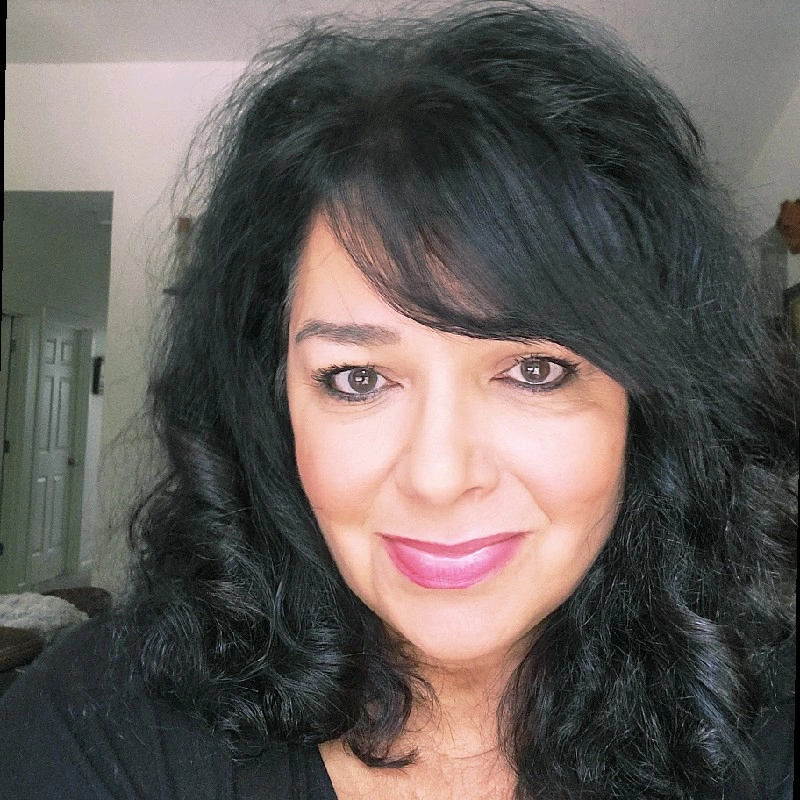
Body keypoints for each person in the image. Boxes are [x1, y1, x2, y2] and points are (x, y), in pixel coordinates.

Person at [1, 2, 795, 798]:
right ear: (271, 403)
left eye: (534, 370)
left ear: (649, 403)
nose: (440, 476)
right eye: (359, 379)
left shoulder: (765, 730)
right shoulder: (92, 734)